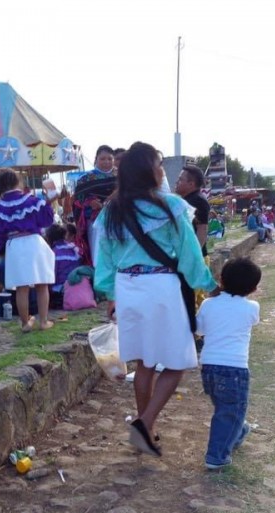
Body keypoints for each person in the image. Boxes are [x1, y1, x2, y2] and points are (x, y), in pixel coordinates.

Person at [94, 141, 217, 457]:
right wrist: (209, 283)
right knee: (178, 362)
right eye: (159, 164)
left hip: (127, 288)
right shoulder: (172, 206)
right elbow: (190, 255)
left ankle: (146, 430)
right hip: (161, 285)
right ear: (150, 171)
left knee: (144, 362)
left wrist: (110, 294)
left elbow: (104, 259)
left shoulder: (112, 210)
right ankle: (144, 422)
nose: (163, 170)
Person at [195, 257, 261, 470]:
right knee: (230, 410)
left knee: (225, 407)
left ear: (220, 279)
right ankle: (216, 456)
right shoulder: (252, 307)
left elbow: (200, 330)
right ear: (253, 288)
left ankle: (239, 431)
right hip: (234, 368)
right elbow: (252, 320)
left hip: (209, 366)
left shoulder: (207, 303)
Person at [0, 168, 56, 332]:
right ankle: (44, 321)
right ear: (18, 182)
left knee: (21, 287)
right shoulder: (30, 200)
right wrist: (50, 200)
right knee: (42, 284)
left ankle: (25, 323)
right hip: (34, 242)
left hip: (15, 244)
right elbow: (46, 219)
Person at [72, 145, 116, 265]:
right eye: (103, 159)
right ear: (96, 159)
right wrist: (89, 203)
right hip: (96, 222)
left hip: (119, 220)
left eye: (109, 159)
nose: (106, 162)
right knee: (98, 253)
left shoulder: (122, 176)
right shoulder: (85, 179)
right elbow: (77, 200)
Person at [175, 164, 211, 255]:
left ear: (191, 184)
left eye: (180, 179)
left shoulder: (198, 201)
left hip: (194, 259)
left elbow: (202, 230)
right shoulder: (187, 200)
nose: (176, 182)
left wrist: (193, 256)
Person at [45, 223, 82, 308]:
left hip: (60, 290)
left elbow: (52, 277)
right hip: (76, 285)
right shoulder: (74, 249)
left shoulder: (53, 253)